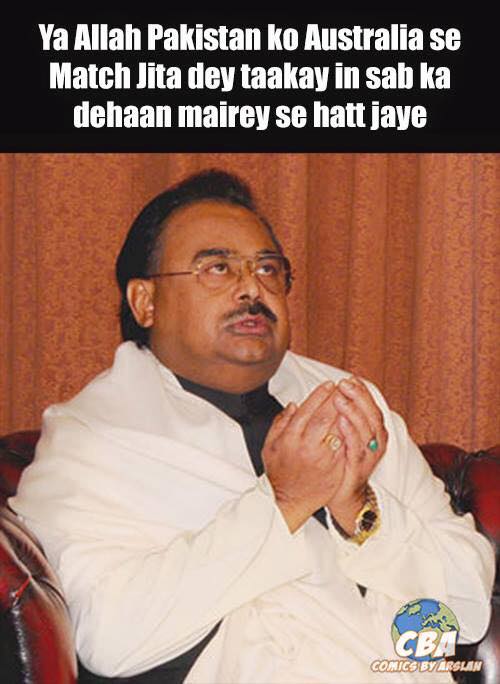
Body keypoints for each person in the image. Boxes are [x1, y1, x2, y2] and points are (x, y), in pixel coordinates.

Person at [10, 169, 494, 683]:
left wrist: (359, 511)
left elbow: (466, 603)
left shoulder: (350, 404)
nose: (251, 288)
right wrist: (283, 504)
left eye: (267, 268)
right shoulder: (92, 441)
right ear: (145, 302)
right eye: (217, 268)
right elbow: (109, 635)